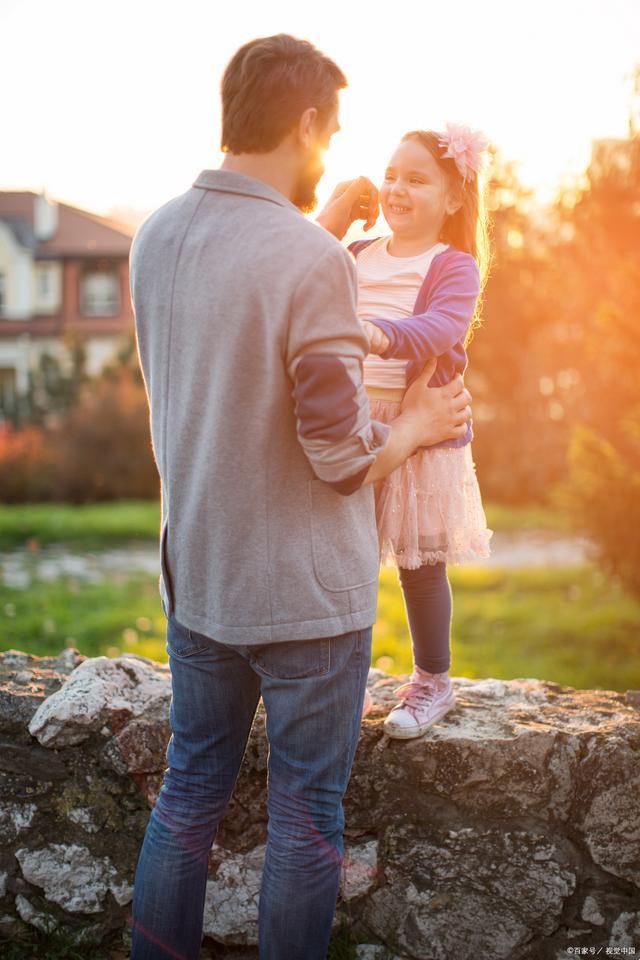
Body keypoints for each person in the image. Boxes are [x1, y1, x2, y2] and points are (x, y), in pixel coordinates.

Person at [128, 34, 472, 960]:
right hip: (306, 601)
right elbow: (340, 455)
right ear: (310, 122)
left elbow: (225, 350)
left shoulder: (156, 236)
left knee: (187, 796)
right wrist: (419, 428)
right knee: (306, 817)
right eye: (334, 128)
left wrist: (317, 222)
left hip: (198, 579)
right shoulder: (316, 260)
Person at [327, 126, 493, 739]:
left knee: (421, 567)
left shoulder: (454, 267)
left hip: (419, 432)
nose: (396, 188)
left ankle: (433, 681)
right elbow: (297, 276)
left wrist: (373, 335)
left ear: (452, 199)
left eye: (416, 179)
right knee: (344, 560)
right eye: (392, 175)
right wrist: (338, 215)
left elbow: (440, 328)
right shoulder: (356, 252)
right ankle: (339, 684)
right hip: (350, 423)